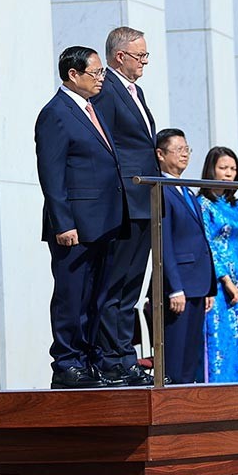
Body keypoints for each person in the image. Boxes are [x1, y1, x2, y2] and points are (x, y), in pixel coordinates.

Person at [34, 46, 139, 389]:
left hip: (104, 222)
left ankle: (91, 359)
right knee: (72, 296)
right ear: (73, 75)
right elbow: (51, 174)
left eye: (101, 73)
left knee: (97, 297)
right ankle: (67, 363)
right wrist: (63, 223)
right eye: (95, 74)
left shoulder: (92, 109)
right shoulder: (56, 113)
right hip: (75, 226)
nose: (100, 80)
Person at [89, 27, 159, 387]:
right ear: (121, 57)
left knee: (131, 285)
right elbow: (105, 144)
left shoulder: (136, 91)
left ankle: (125, 357)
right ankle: (110, 358)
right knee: (114, 285)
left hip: (145, 200)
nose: (145, 62)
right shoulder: (107, 90)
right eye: (141, 55)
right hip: (124, 201)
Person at [153, 129, 215, 385]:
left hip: (198, 284)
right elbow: (163, 242)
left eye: (187, 149)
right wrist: (174, 288)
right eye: (178, 149)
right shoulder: (161, 188)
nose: (184, 155)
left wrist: (209, 284)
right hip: (179, 287)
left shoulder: (188, 191)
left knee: (192, 355)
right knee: (176, 356)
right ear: (160, 154)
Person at [199, 146, 238, 383]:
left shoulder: (237, 205)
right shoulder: (203, 204)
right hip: (218, 286)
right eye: (223, 168)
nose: (229, 173)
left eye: (233, 169)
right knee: (219, 341)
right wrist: (226, 282)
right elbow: (208, 244)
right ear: (211, 170)